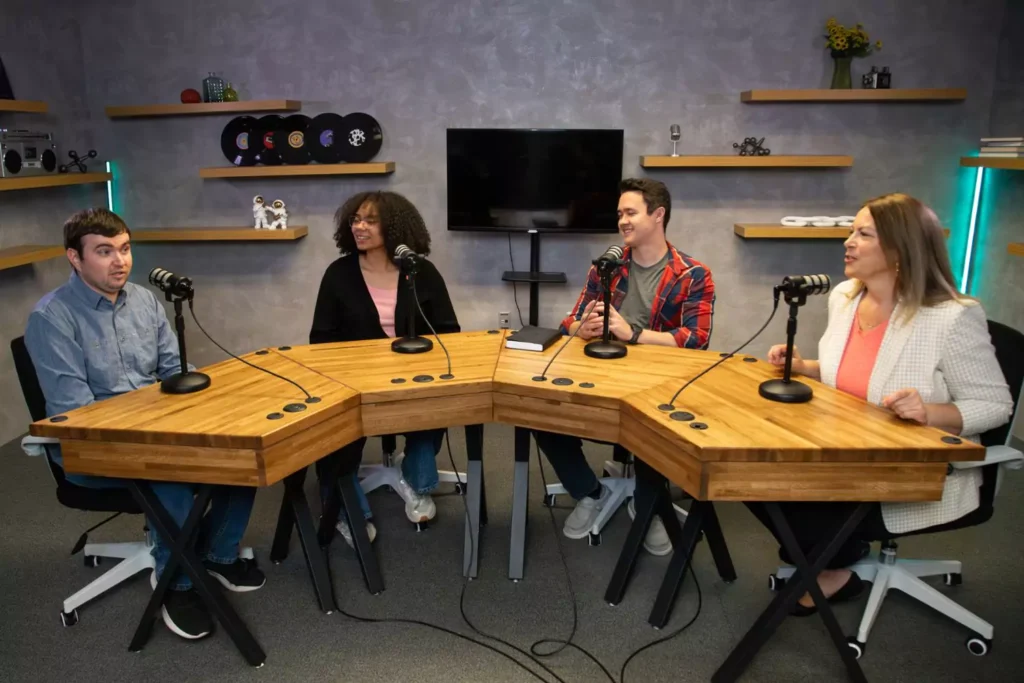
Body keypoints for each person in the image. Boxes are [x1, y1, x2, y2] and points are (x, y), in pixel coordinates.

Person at [750, 192, 1013, 615]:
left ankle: (832, 564)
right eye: (852, 231)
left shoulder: (951, 317)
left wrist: (930, 413)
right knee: (748, 472)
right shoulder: (845, 298)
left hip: (910, 465)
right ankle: (829, 555)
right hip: (842, 446)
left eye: (863, 234)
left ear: (897, 249)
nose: (847, 242)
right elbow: (853, 373)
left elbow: (995, 404)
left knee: (791, 498)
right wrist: (806, 367)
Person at [25, 208, 264, 641]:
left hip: (158, 427)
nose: (120, 261)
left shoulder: (145, 301)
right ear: (74, 258)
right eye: (104, 252)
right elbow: (76, 413)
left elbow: (173, 371)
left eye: (125, 249)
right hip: (91, 446)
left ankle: (214, 554)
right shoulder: (52, 318)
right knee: (170, 477)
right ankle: (178, 582)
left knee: (241, 451)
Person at [533, 178, 716, 554]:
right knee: (537, 408)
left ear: (658, 215)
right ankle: (589, 492)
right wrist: (580, 328)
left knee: (653, 430)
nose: (622, 221)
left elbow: (697, 339)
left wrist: (631, 334)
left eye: (630, 212)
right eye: (620, 214)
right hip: (600, 376)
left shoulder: (693, 274)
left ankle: (649, 505)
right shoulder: (607, 267)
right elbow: (569, 321)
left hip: (658, 385)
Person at [310, 190, 460, 541]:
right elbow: (320, 340)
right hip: (355, 382)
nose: (360, 227)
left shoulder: (420, 271)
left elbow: (451, 333)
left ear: (393, 227)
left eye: (370, 220)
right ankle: (349, 510)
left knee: (436, 406)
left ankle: (417, 479)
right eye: (356, 220)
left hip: (414, 377)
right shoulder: (338, 274)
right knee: (335, 434)